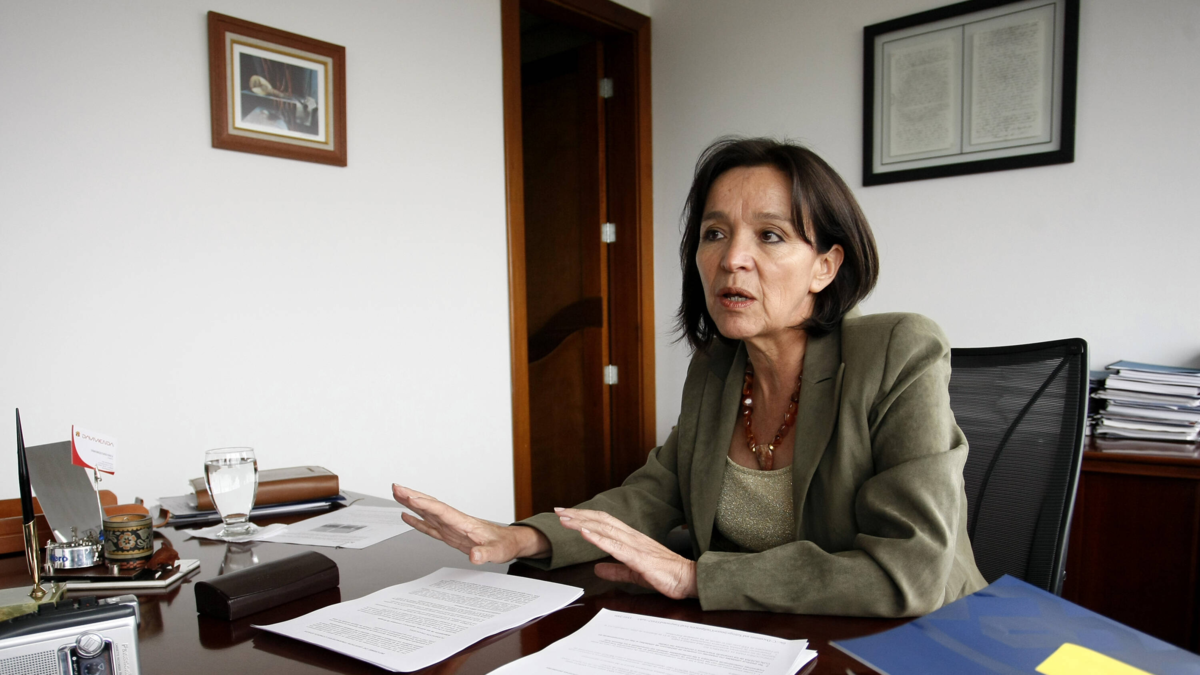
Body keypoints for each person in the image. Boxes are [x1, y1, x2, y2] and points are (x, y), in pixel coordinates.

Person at [393, 137, 987, 617]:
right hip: (762, 637)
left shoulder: (898, 351)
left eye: (770, 235)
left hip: (911, 642)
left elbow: (910, 570)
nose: (732, 259)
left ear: (825, 266)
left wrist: (694, 577)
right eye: (715, 233)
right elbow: (655, 495)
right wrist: (521, 538)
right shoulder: (717, 367)